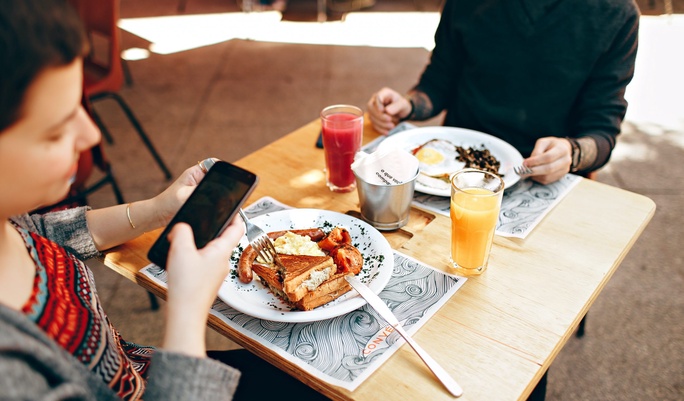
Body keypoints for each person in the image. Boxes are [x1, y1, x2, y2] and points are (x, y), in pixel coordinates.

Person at [0, 1, 326, 400]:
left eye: (80, 109)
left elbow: (47, 234)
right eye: (56, 131)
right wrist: (187, 310)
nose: (91, 136)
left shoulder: (8, 220)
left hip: (145, 367)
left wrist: (159, 208)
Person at [367, 0, 640, 185]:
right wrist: (409, 105)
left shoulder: (616, 12)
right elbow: (438, 82)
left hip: (541, 176)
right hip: (455, 168)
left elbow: (602, 133)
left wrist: (572, 152)